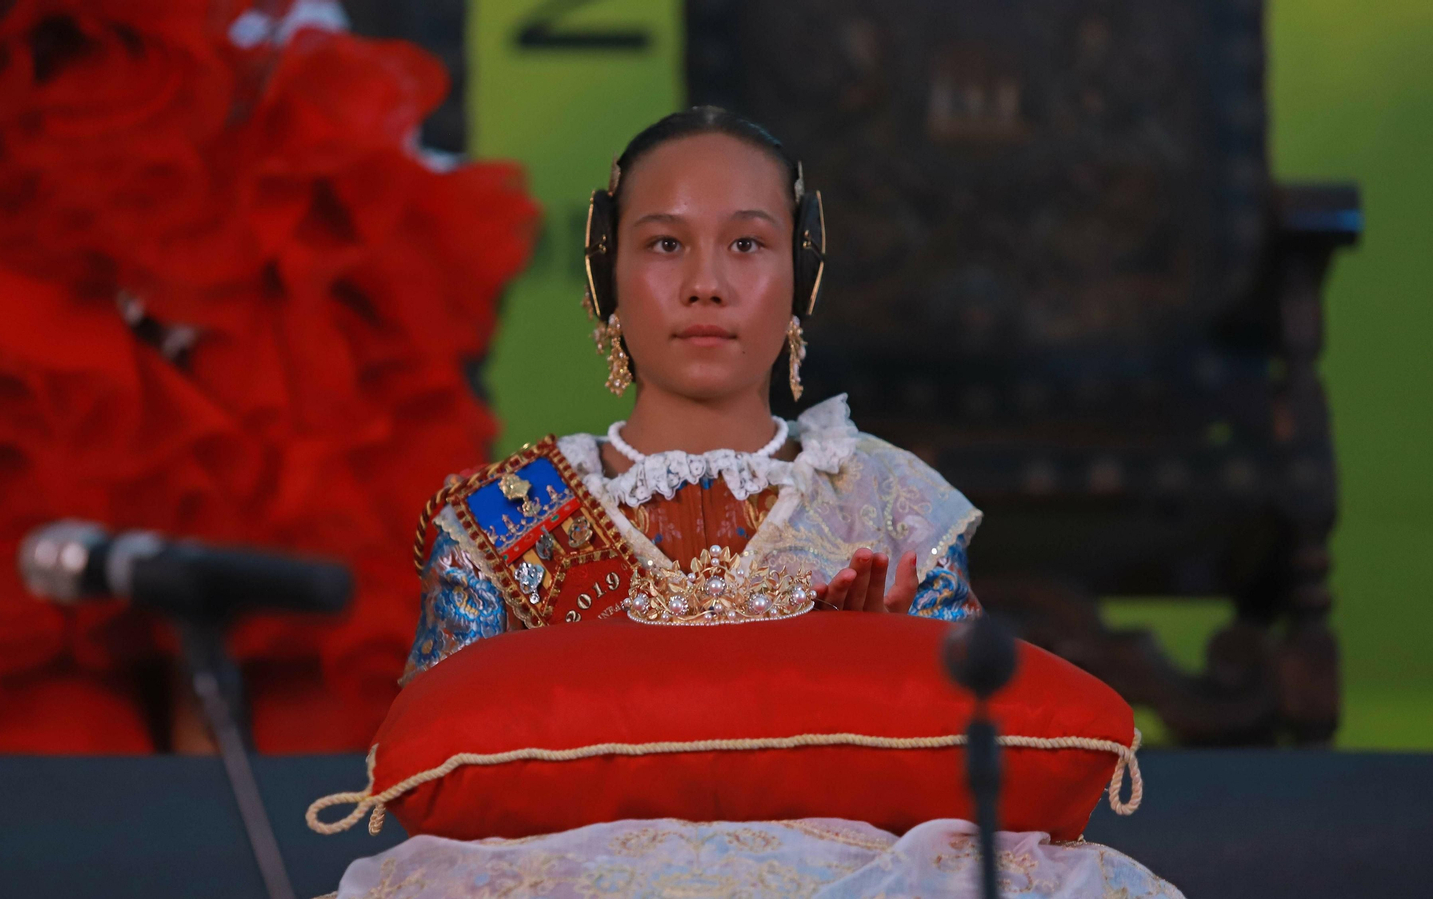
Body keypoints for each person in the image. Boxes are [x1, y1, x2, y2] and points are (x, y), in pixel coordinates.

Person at [338, 107, 1183, 898]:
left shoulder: (893, 501)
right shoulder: (500, 520)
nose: (706, 284)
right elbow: (428, 777)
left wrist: (894, 657)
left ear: (802, 274)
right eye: (665, 245)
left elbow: (977, 775)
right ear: (606, 275)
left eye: (747, 244)